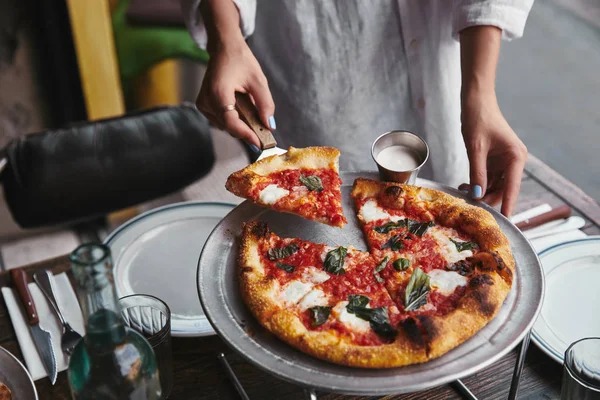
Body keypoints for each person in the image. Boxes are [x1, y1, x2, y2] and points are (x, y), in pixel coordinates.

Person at [182, 0, 534, 216]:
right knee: (309, 215)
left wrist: (480, 93)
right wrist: (226, 40)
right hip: (319, 66)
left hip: (442, 64)